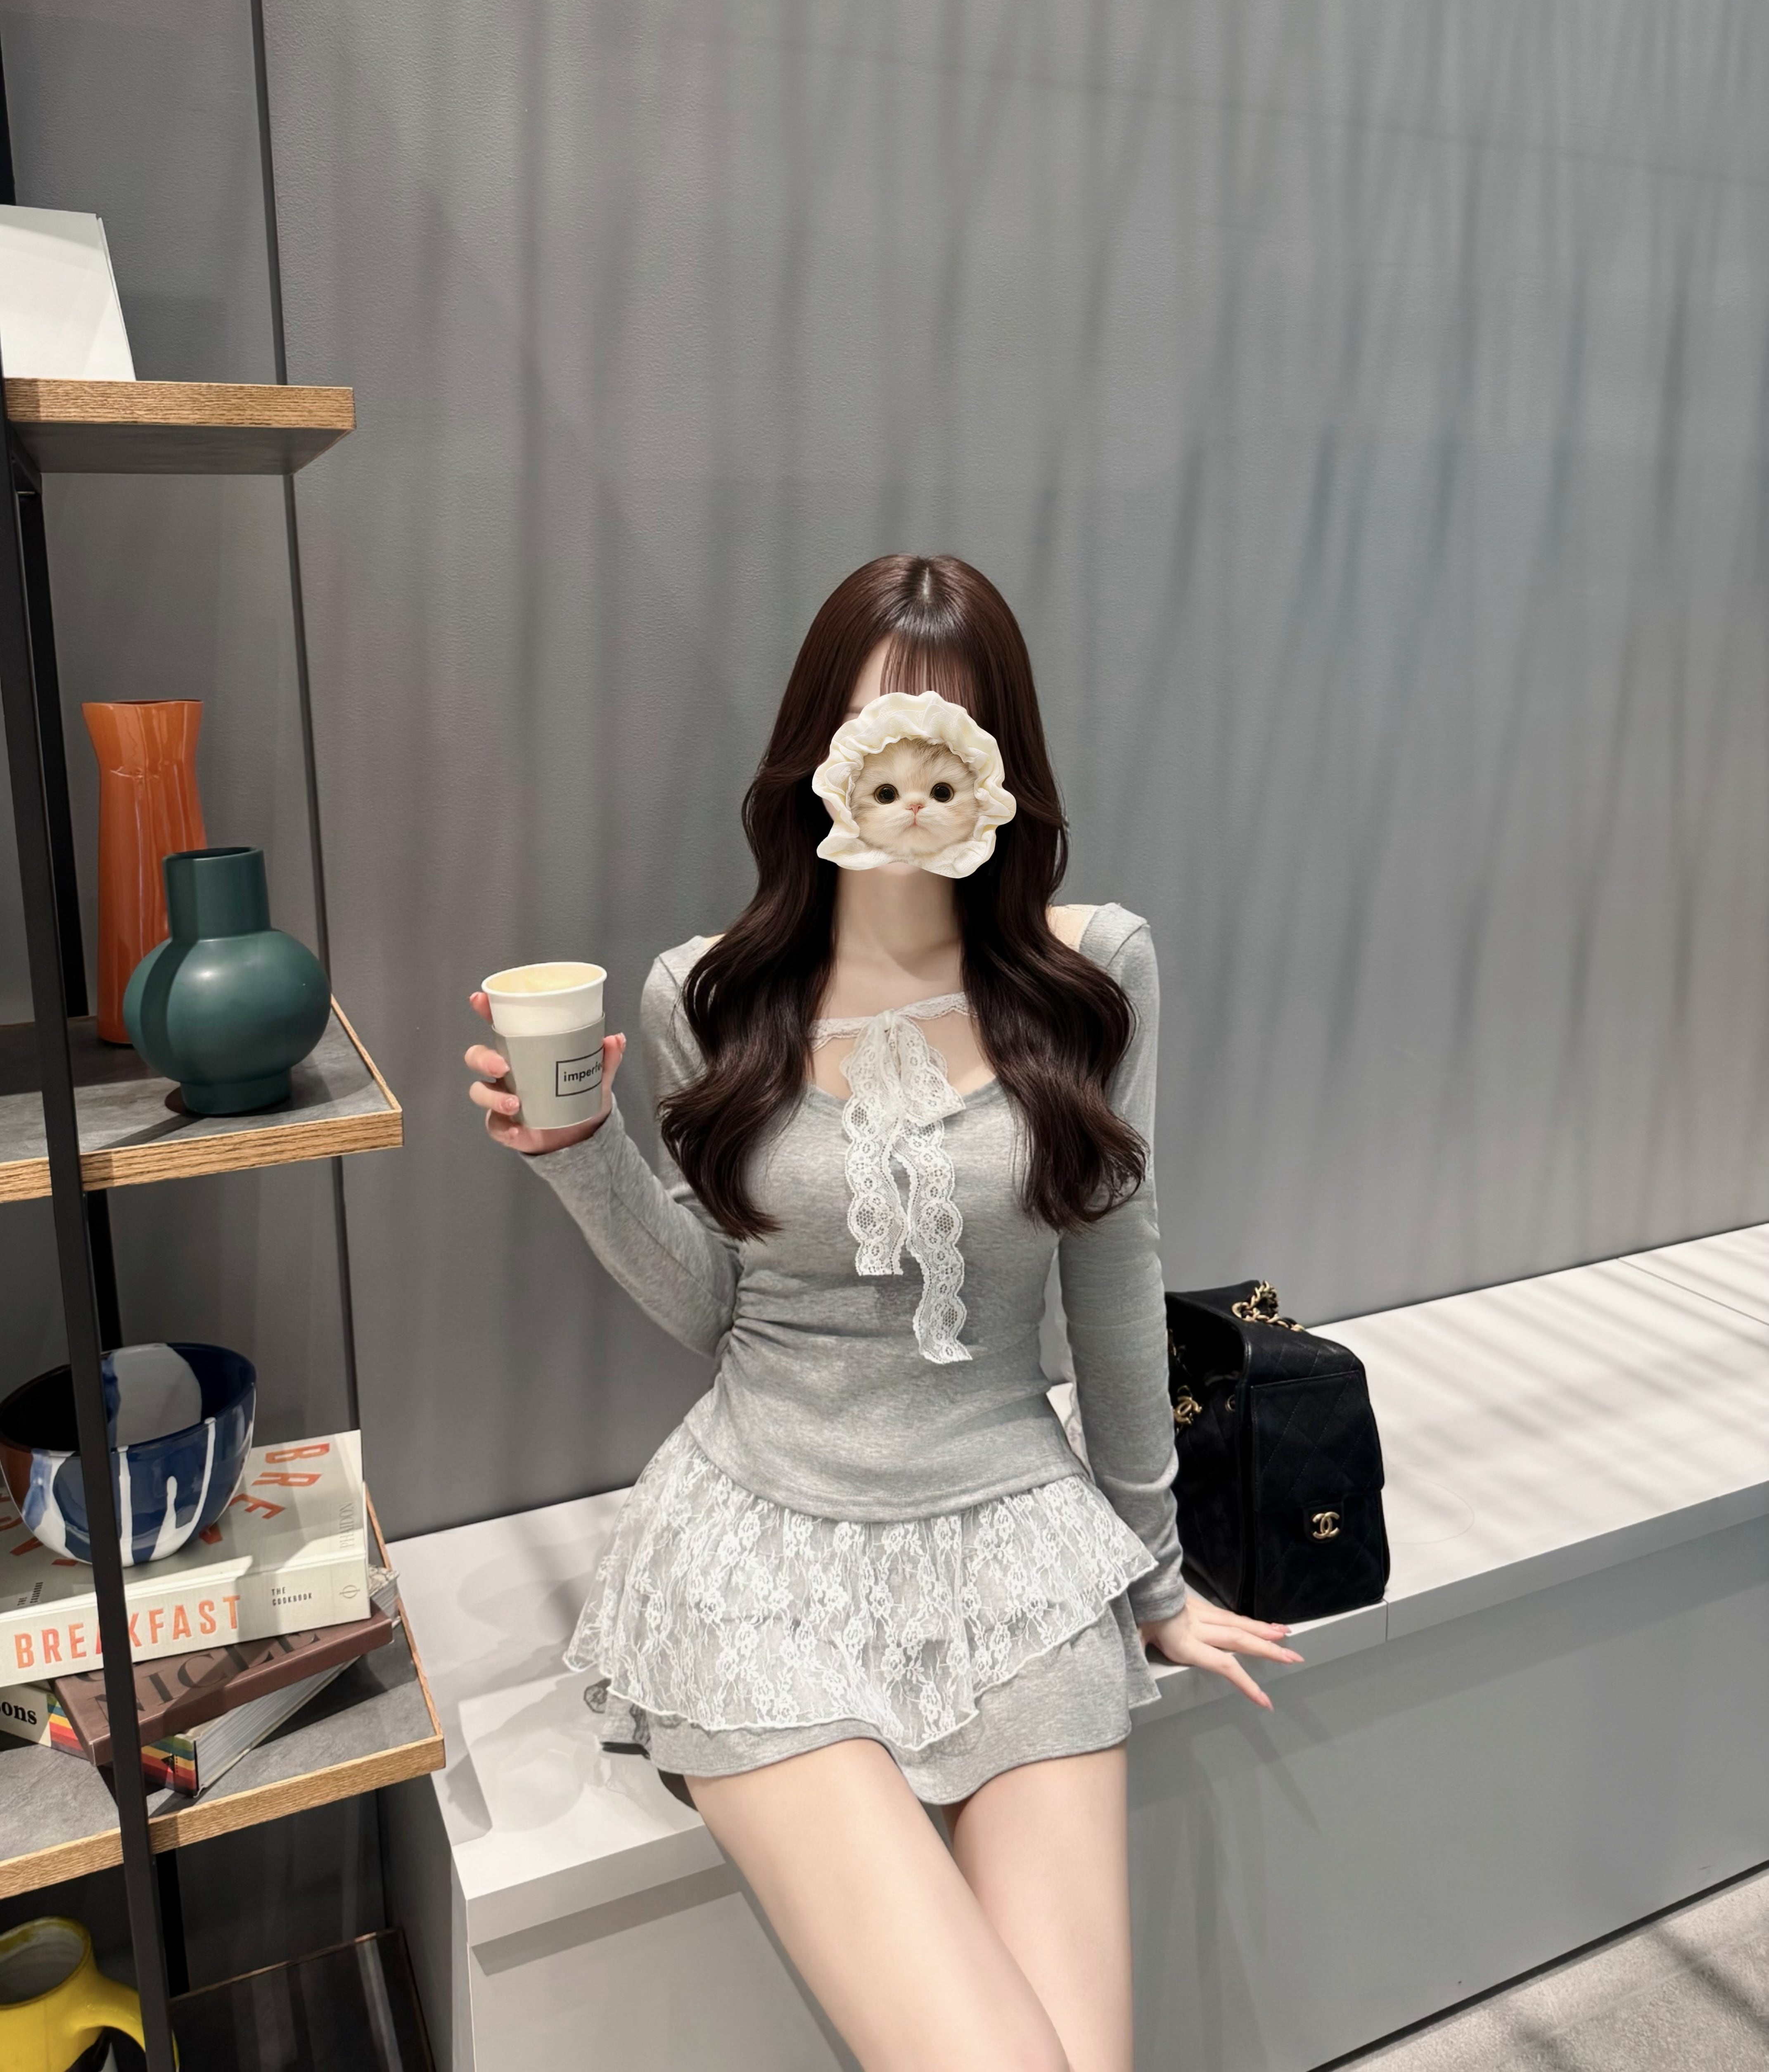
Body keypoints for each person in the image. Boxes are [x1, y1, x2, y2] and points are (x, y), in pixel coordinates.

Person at [465, 554, 1300, 2072]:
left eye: (950, 737)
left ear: (1001, 769)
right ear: (815, 758)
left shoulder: (1090, 972)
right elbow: (717, 1305)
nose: (909, 776)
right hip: (759, 1555)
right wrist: (578, 1156)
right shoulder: (704, 994)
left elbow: (1116, 1275)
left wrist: (1154, 1580)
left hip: (1016, 1545)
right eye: (874, 734)